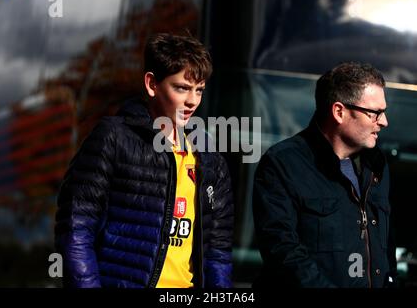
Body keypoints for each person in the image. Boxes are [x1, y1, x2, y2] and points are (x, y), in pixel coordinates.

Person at [55, 33, 233, 288]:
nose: (192, 100)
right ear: (152, 84)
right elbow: (75, 231)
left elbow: (217, 252)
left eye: (199, 90)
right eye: (182, 87)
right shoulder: (113, 137)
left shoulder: (211, 158)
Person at [253, 62, 397, 288]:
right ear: (339, 112)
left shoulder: (377, 164)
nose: (384, 121)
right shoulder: (283, 163)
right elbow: (282, 250)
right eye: (375, 113)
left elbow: (385, 246)